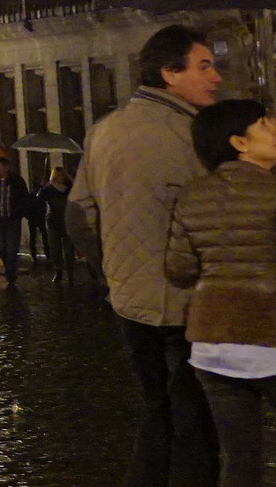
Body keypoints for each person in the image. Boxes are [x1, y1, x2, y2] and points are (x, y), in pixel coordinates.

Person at [73, 24, 224, 487]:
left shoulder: (103, 131)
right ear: (169, 73)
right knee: (198, 418)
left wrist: (110, 272)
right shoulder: (197, 136)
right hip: (188, 302)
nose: (216, 77)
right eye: (204, 66)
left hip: (129, 300)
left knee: (157, 410)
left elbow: (78, 215)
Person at [168, 98, 276, 487]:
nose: (274, 129)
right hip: (268, 334)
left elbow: (179, 270)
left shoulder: (192, 194)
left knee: (240, 459)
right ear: (239, 142)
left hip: (214, 342)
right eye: (264, 124)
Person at [0, 164, 33, 286]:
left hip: (12, 219)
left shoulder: (16, 181)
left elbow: (24, 197)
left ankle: (10, 274)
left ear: (6, 167)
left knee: (12, 248)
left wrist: (21, 213)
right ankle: (10, 266)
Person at [37, 166, 75, 283]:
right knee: (55, 248)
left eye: (62, 175)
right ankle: (58, 270)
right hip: (53, 221)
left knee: (68, 248)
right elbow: (39, 200)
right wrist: (42, 189)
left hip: (67, 220)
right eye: (58, 175)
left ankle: (70, 270)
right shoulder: (49, 189)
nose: (60, 178)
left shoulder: (69, 188)